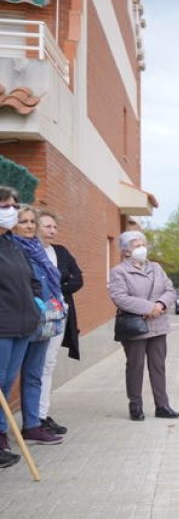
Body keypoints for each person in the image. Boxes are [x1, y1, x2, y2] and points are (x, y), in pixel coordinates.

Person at [108, 230, 179, 421]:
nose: (141, 248)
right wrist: (149, 308)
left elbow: (169, 289)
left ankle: (162, 405)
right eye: (136, 245)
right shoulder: (119, 271)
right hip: (136, 326)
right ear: (125, 251)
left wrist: (161, 305)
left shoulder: (156, 267)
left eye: (143, 244)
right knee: (135, 366)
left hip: (159, 324)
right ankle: (136, 405)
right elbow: (120, 297)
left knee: (158, 366)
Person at [9, 207, 64, 445]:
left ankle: (32, 425)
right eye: (24, 222)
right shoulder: (12, 249)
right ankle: (3, 433)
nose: (30, 226)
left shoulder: (38, 250)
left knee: (34, 375)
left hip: (43, 322)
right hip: (19, 321)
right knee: (8, 379)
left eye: (33, 221)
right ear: (13, 224)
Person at [36, 209, 83, 436]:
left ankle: (43, 414)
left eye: (54, 227)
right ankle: (34, 417)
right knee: (37, 364)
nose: (52, 231)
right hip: (37, 317)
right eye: (47, 226)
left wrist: (57, 290)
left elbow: (78, 278)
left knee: (49, 363)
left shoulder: (60, 252)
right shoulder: (31, 252)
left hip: (59, 316)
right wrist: (53, 290)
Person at [0, 188, 38, 468]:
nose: (12, 210)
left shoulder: (12, 244)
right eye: (5, 206)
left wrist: (36, 303)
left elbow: (31, 279)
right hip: (3, 326)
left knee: (6, 385)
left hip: (23, 326)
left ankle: (1, 436)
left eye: (14, 205)